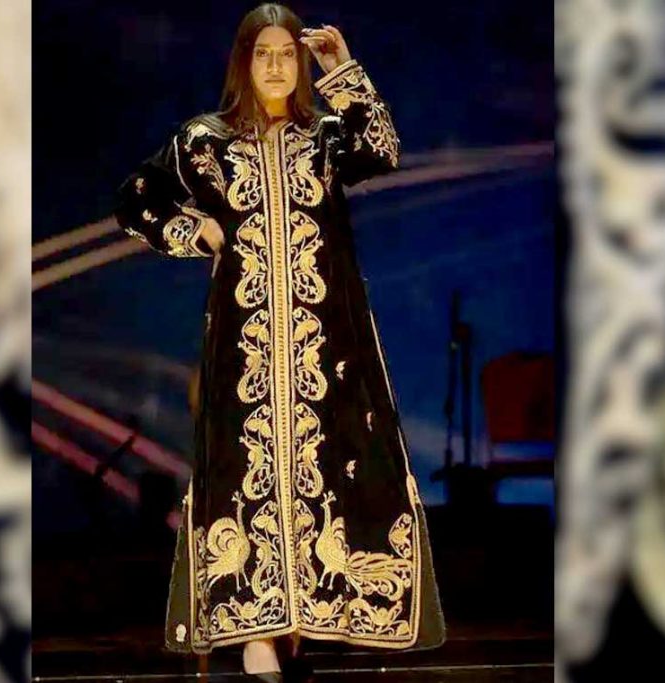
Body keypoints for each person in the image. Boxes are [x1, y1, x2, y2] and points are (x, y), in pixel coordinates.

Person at [114, 3, 446, 679]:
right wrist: (195, 231)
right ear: (243, 62)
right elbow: (136, 199)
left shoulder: (324, 138)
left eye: (286, 54)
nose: (274, 66)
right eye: (262, 54)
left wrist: (342, 70)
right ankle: (257, 632)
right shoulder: (205, 143)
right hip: (247, 353)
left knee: (326, 473)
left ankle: (293, 629)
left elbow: (382, 149)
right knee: (249, 475)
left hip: (327, 350)